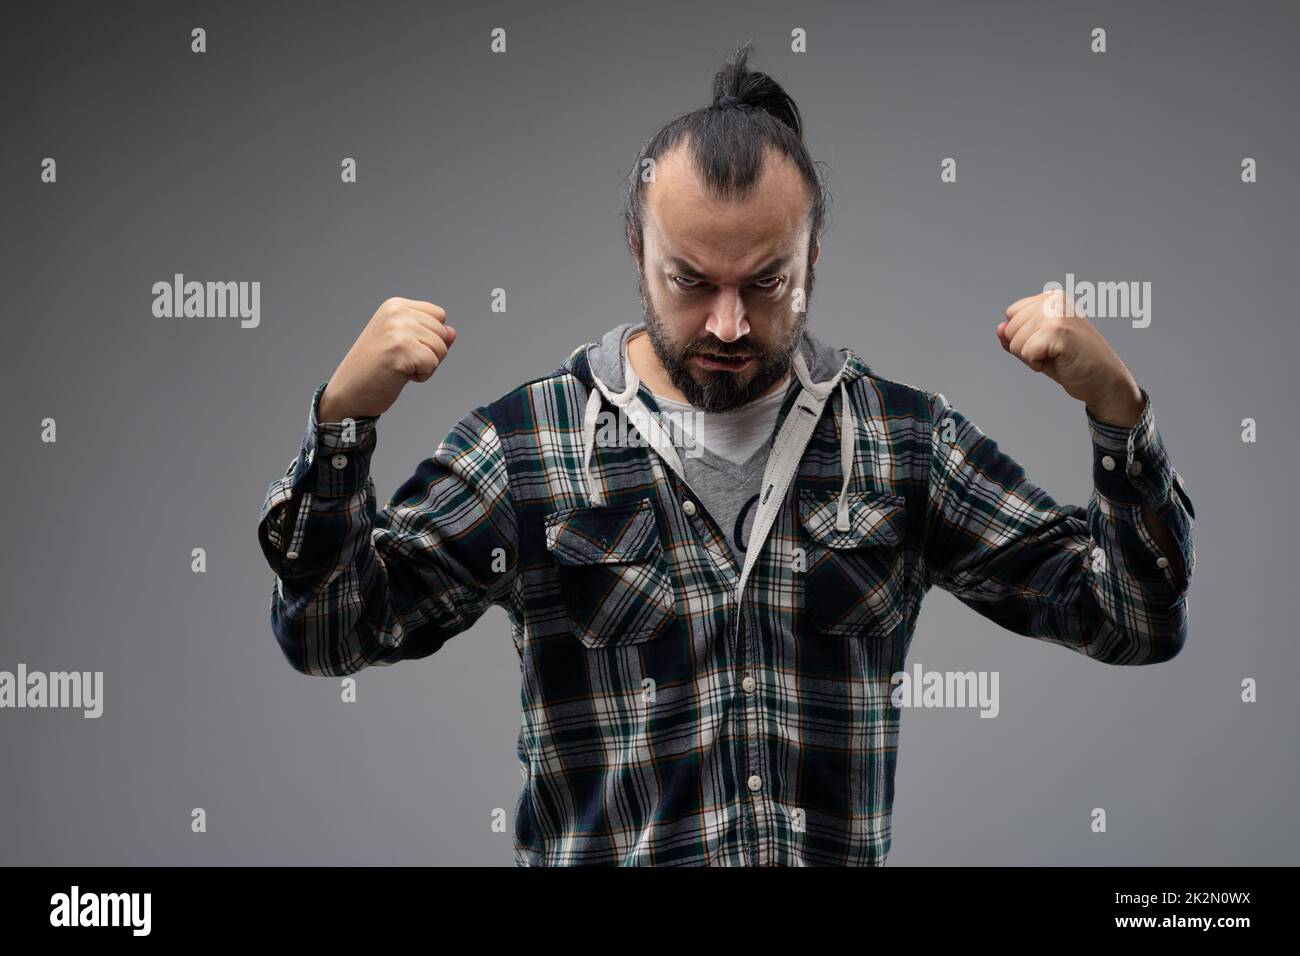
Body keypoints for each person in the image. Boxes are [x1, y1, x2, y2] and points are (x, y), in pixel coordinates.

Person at [256, 42, 1196, 866]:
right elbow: (329, 633)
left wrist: (1115, 410)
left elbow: (1132, 621)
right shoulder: (527, 449)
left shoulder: (904, 446)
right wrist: (343, 424)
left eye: (767, 282)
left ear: (813, 257)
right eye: (691, 281)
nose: (729, 323)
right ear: (637, 247)